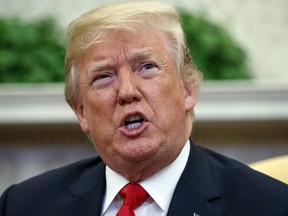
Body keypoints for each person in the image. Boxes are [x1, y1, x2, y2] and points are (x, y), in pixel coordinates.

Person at [1, 2, 288, 216]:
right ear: (81, 113)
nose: (127, 91)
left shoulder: (269, 206)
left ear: (188, 90)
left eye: (147, 67)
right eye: (103, 76)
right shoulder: (22, 205)